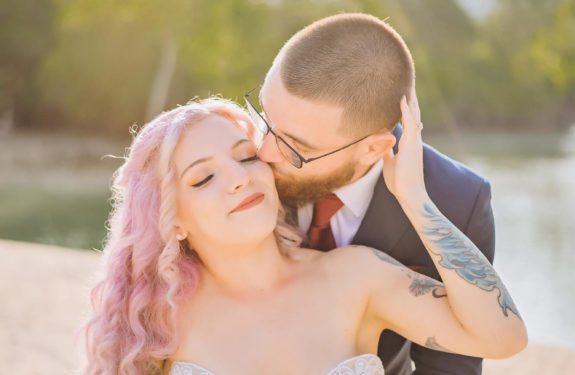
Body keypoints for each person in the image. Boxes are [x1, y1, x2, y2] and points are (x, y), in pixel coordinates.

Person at [81, 97, 526, 375]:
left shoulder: (357, 276)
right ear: (171, 221)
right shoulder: (154, 321)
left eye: (247, 157)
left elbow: (503, 337)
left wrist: (414, 198)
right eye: (203, 179)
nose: (238, 179)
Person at [251, 13, 498, 375]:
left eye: (295, 147)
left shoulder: (457, 200)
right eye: (265, 117)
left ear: (373, 149)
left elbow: (450, 366)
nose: (262, 153)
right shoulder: (231, 164)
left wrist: (416, 203)